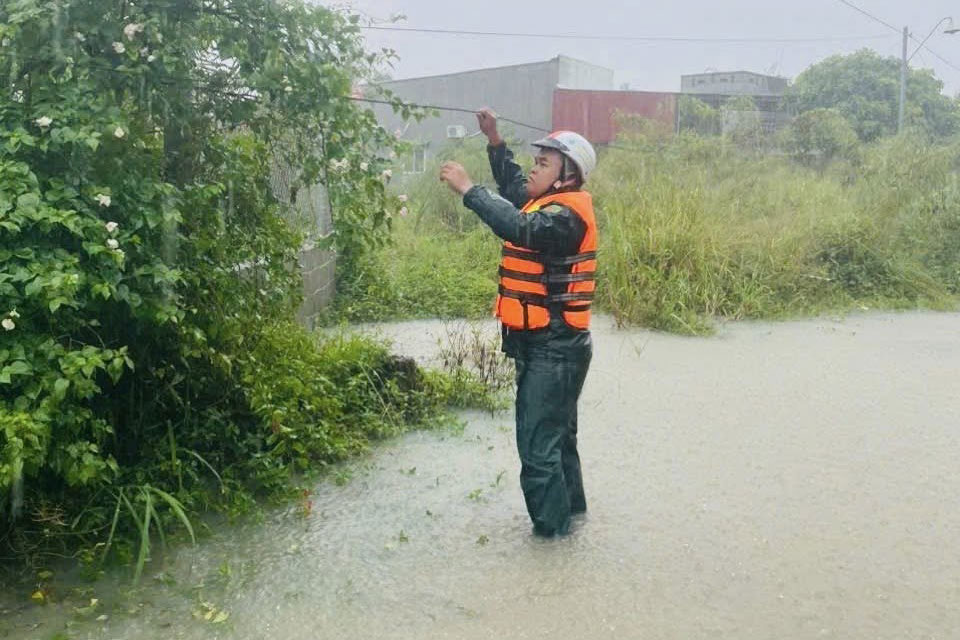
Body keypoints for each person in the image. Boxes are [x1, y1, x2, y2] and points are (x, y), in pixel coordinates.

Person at [439, 109, 598, 537]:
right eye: (537, 160)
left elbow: (518, 226)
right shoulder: (545, 201)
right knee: (558, 443)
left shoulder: (565, 217)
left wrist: (469, 190)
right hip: (550, 346)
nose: (534, 167)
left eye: (544, 163)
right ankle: (572, 529)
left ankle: (552, 546)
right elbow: (512, 187)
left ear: (567, 176)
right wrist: (494, 140)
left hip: (555, 348)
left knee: (538, 451)